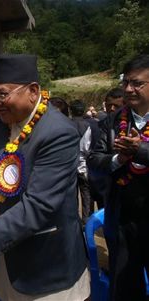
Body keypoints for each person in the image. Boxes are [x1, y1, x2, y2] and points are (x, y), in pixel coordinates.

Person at [0, 54, 90, 301]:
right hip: (8, 256)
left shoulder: (58, 134)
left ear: (33, 91)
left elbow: (39, 205)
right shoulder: (6, 122)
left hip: (46, 263)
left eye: (3, 94)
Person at [88, 54, 149, 301]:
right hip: (122, 215)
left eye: (137, 84)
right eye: (126, 83)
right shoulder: (112, 121)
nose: (128, 89)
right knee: (124, 283)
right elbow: (94, 159)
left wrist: (141, 151)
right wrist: (118, 160)